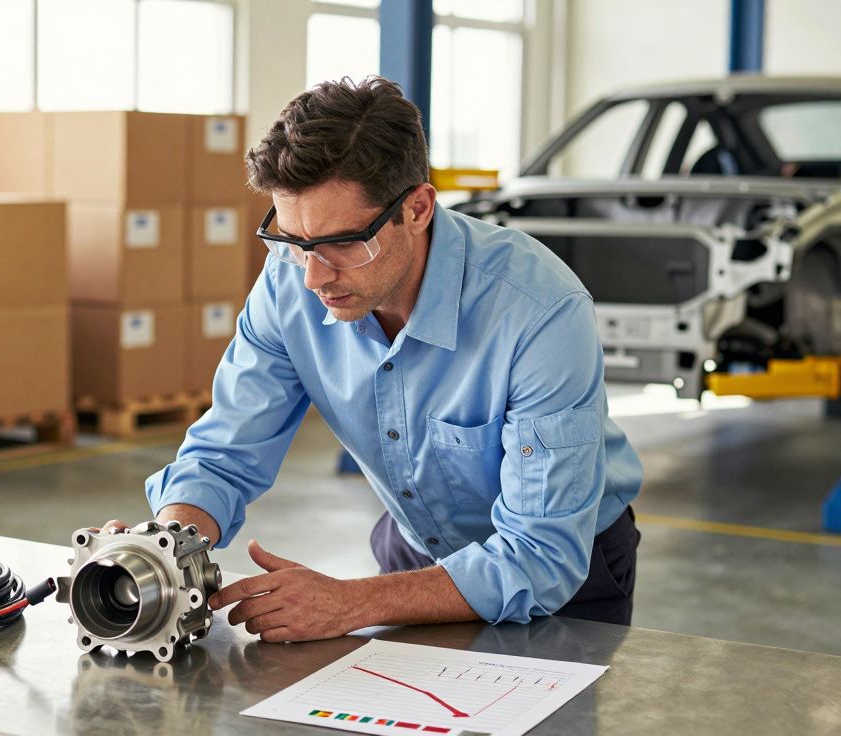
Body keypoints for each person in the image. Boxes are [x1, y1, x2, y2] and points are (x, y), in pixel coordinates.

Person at [100, 77, 643, 642]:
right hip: (414, 549)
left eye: (342, 243)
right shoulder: (290, 280)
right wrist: (168, 544)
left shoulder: (539, 310)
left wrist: (348, 603)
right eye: (294, 240)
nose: (313, 277)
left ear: (418, 208)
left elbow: (540, 555)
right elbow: (225, 452)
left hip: (566, 572)